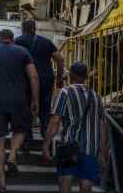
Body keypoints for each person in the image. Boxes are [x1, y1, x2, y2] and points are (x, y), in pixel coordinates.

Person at [0, 29, 40, 191]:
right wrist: (34, 99)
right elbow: (33, 76)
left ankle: (1, 180)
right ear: (12, 39)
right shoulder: (22, 51)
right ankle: (12, 154)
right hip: (18, 100)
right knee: (21, 129)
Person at [42, 62, 108, 193]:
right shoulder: (96, 96)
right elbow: (102, 124)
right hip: (91, 147)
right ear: (85, 77)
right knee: (86, 183)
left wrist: (46, 144)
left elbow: (55, 121)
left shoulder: (65, 92)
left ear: (71, 75)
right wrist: (102, 149)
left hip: (69, 145)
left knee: (65, 179)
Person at [15, 19, 64, 137]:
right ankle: (45, 136)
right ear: (34, 29)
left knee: (26, 108)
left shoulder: (17, 42)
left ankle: (27, 139)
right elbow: (60, 59)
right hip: (46, 79)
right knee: (45, 108)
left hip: (25, 80)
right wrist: (59, 78)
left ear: (23, 29)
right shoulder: (46, 42)